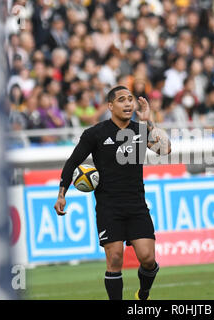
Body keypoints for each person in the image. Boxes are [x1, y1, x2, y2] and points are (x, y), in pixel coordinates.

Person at [54, 86, 171, 300]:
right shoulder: (95, 134)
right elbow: (72, 162)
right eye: (121, 100)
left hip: (137, 205)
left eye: (130, 99)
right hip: (109, 206)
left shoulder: (140, 129)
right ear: (110, 106)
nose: (128, 104)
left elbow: (165, 150)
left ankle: (143, 294)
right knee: (115, 258)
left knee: (147, 258)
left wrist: (149, 121)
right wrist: (62, 193)